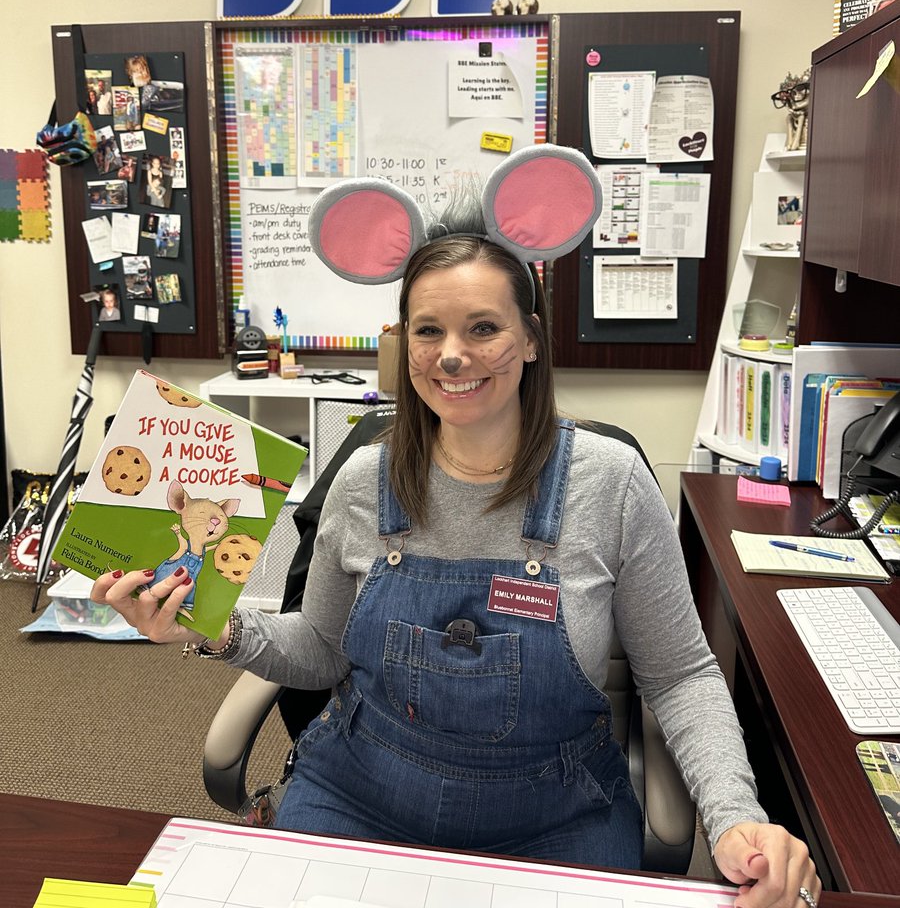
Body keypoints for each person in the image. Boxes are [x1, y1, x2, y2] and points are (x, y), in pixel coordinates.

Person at [92, 146, 821, 908]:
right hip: (360, 792)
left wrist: (737, 817)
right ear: (402, 342)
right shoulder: (365, 480)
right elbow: (320, 650)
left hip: (555, 816)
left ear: (532, 340)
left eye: (483, 328)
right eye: (427, 330)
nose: (452, 356)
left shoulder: (610, 482)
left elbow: (680, 674)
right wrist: (209, 625)